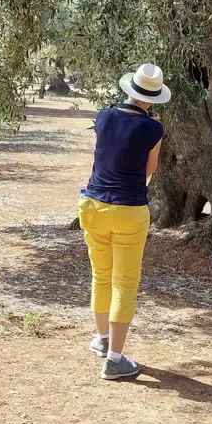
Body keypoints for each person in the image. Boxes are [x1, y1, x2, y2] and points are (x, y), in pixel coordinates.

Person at [78, 63, 171, 380]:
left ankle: (102, 340)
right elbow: (150, 169)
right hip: (129, 210)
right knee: (125, 283)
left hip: (92, 205)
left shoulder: (103, 116)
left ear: (130, 89)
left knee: (101, 276)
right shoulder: (153, 128)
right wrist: (153, 129)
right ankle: (115, 360)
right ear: (154, 97)